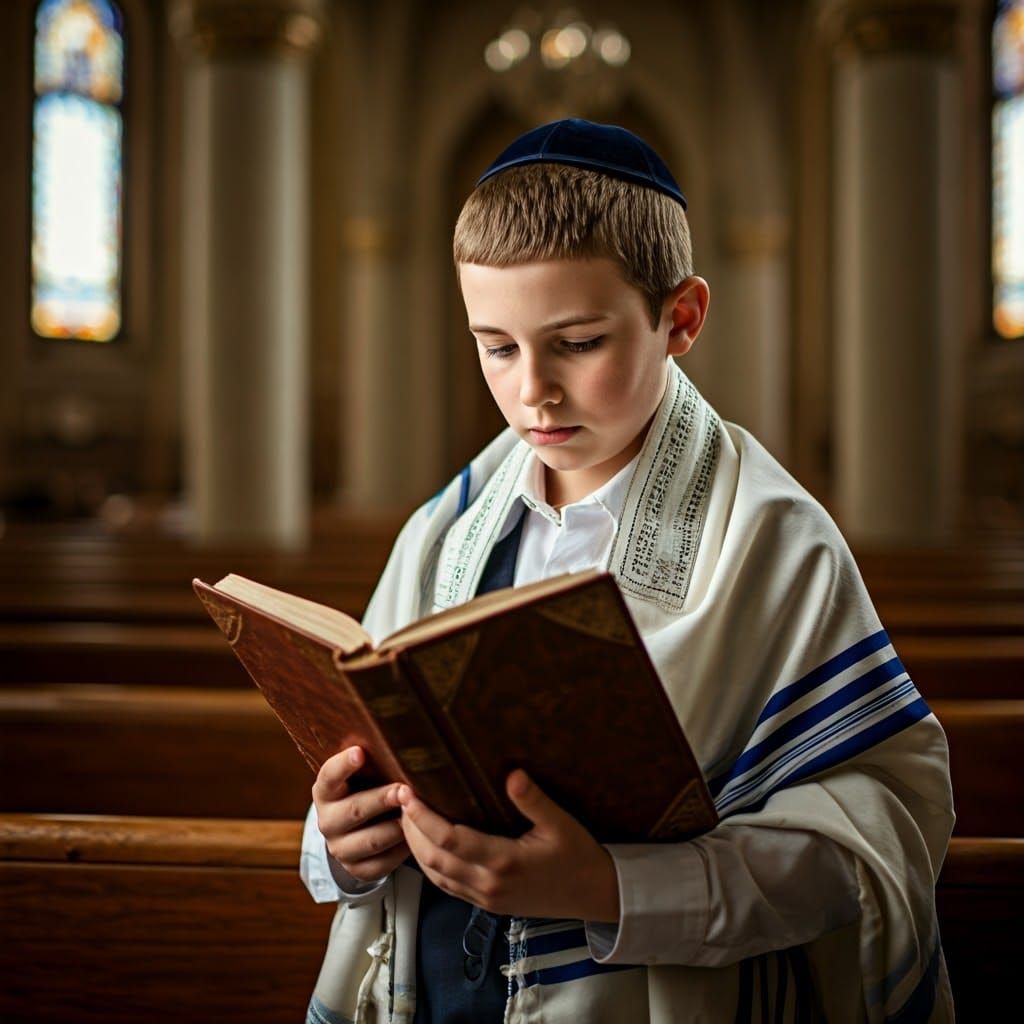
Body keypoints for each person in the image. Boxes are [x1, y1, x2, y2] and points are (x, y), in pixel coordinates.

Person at [300, 118, 955, 1023]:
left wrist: (612, 887)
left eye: (576, 342)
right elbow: (373, 754)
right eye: (497, 345)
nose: (533, 389)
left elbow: (869, 846)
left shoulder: (774, 542)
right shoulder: (444, 533)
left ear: (680, 318)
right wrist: (342, 841)